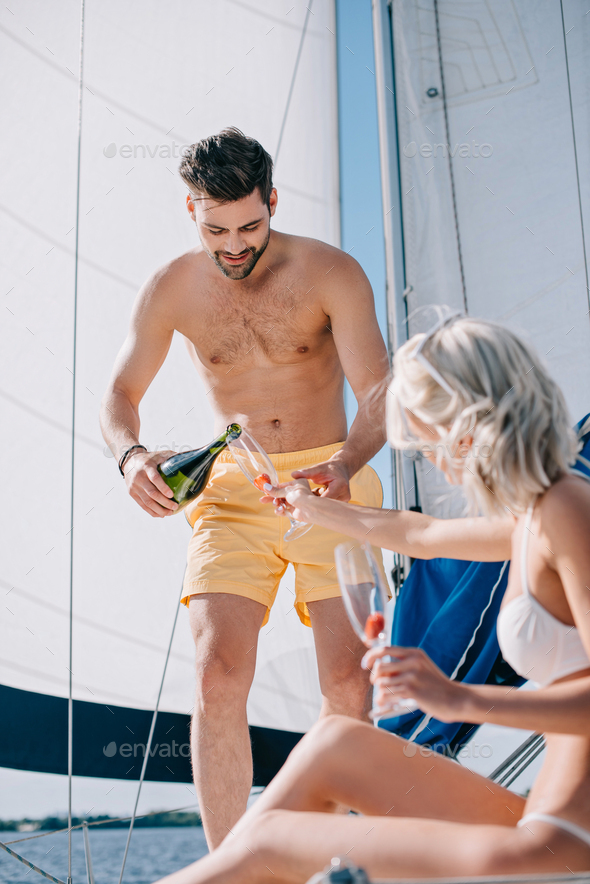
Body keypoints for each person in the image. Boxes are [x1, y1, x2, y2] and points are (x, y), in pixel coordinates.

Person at [154, 313, 590, 882]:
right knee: (336, 740)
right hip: (544, 822)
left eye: (425, 441)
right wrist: (309, 506)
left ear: (465, 425)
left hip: (565, 844)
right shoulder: (533, 519)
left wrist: (456, 698)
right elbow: (420, 534)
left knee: (269, 840)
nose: (434, 462)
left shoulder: (566, 507)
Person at [99, 127, 390, 848]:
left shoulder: (332, 272)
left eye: (250, 227)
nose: (234, 245)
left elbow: (380, 394)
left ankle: (322, 854)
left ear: (274, 203)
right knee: (216, 675)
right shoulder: (171, 287)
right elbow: (118, 396)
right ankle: (230, 866)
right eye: (216, 229)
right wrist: (131, 458)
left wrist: (345, 464)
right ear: (191, 210)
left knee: (349, 684)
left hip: (333, 480)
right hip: (235, 485)